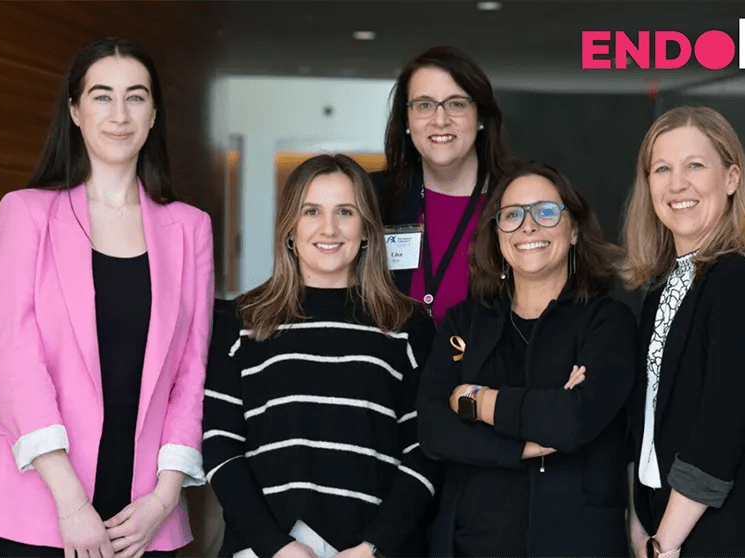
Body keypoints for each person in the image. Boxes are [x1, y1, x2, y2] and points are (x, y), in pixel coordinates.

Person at [0, 37, 213, 558]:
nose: (119, 114)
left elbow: (191, 371)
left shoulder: (190, 227)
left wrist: (165, 498)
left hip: (144, 515)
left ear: (154, 114)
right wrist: (71, 503)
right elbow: (15, 360)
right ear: (75, 111)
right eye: (102, 96)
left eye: (136, 97)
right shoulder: (26, 213)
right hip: (40, 503)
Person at [202, 154, 440, 558]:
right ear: (290, 228)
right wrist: (274, 546)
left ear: (366, 229)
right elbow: (221, 445)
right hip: (265, 550)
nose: (329, 228)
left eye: (345, 211)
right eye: (311, 211)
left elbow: (426, 449)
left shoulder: (407, 324)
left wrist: (373, 546)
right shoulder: (243, 320)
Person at [620, 106, 745, 558]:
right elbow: (645, 418)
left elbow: (721, 428)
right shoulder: (663, 288)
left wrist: (665, 543)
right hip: (667, 524)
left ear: (731, 178)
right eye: (662, 169)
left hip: (729, 531)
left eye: (695, 165)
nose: (677, 184)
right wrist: (639, 521)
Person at [417, 161, 637, 557]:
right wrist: (526, 444)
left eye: (546, 211)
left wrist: (476, 400)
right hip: (469, 546)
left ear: (574, 230)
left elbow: (571, 421)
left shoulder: (608, 322)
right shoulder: (465, 321)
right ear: (497, 233)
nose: (528, 227)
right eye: (513, 215)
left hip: (578, 546)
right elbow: (434, 429)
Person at [371, 45, 513, 326]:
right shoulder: (373, 196)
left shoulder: (517, 199)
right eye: (424, 105)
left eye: (456, 104)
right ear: (406, 119)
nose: (440, 120)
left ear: (480, 115)